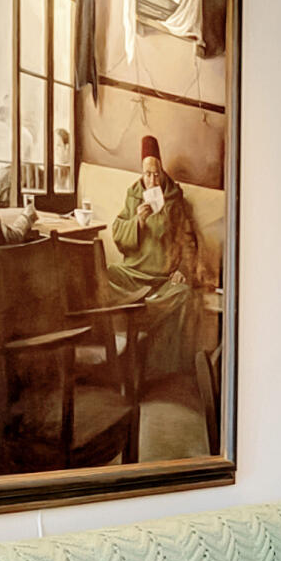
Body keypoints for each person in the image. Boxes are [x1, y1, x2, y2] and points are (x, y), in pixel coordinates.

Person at [106, 135, 219, 389]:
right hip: (135, 273)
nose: (152, 180)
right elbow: (118, 234)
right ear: (142, 173)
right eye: (148, 174)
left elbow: (188, 241)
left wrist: (181, 269)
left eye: (156, 174)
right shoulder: (134, 196)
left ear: (162, 170)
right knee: (107, 273)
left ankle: (142, 318)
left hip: (162, 279)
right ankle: (137, 315)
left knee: (183, 293)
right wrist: (137, 222)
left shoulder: (175, 199)